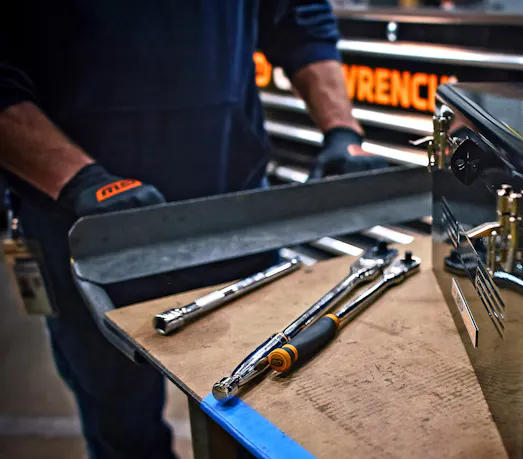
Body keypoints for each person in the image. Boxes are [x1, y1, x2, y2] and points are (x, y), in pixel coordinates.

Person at [0, 1, 386, 458]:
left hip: (236, 223)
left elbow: (298, 20)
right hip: (87, 236)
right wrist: (78, 179)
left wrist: (341, 130)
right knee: (123, 428)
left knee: (259, 411)